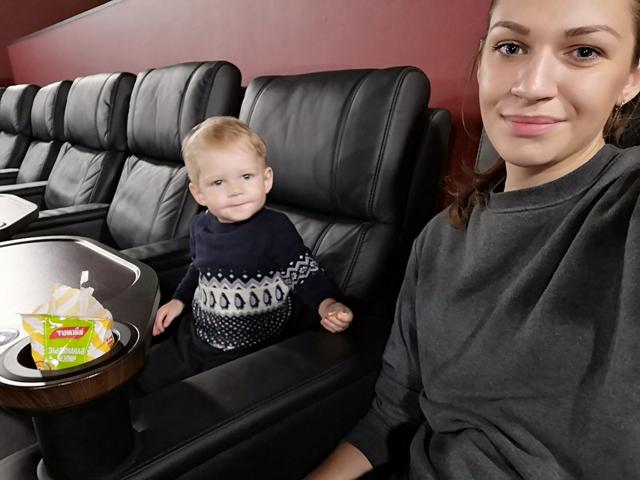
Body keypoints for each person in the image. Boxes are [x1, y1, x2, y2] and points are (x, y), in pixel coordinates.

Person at [309, 0, 640, 478]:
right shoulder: (438, 239)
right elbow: (391, 413)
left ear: (630, 79)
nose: (530, 86)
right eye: (511, 47)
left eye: (584, 51)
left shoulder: (624, 204)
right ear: (482, 61)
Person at [137, 116, 353, 393]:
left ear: (266, 179)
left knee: (188, 402)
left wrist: (328, 305)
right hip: (198, 333)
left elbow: (304, 273)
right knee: (140, 378)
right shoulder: (199, 226)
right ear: (199, 193)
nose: (236, 190)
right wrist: (179, 300)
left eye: (246, 177)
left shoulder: (274, 228)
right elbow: (198, 269)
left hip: (250, 346)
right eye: (218, 182)